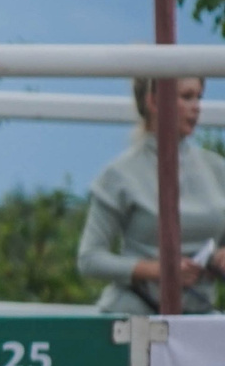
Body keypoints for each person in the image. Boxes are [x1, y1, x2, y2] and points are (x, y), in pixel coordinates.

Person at [76, 78, 225, 313]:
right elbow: (90, 259)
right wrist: (160, 270)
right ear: (154, 101)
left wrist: (218, 258)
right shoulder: (120, 174)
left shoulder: (217, 168)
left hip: (200, 316)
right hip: (133, 317)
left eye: (199, 97)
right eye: (186, 97)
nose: (197, 106)